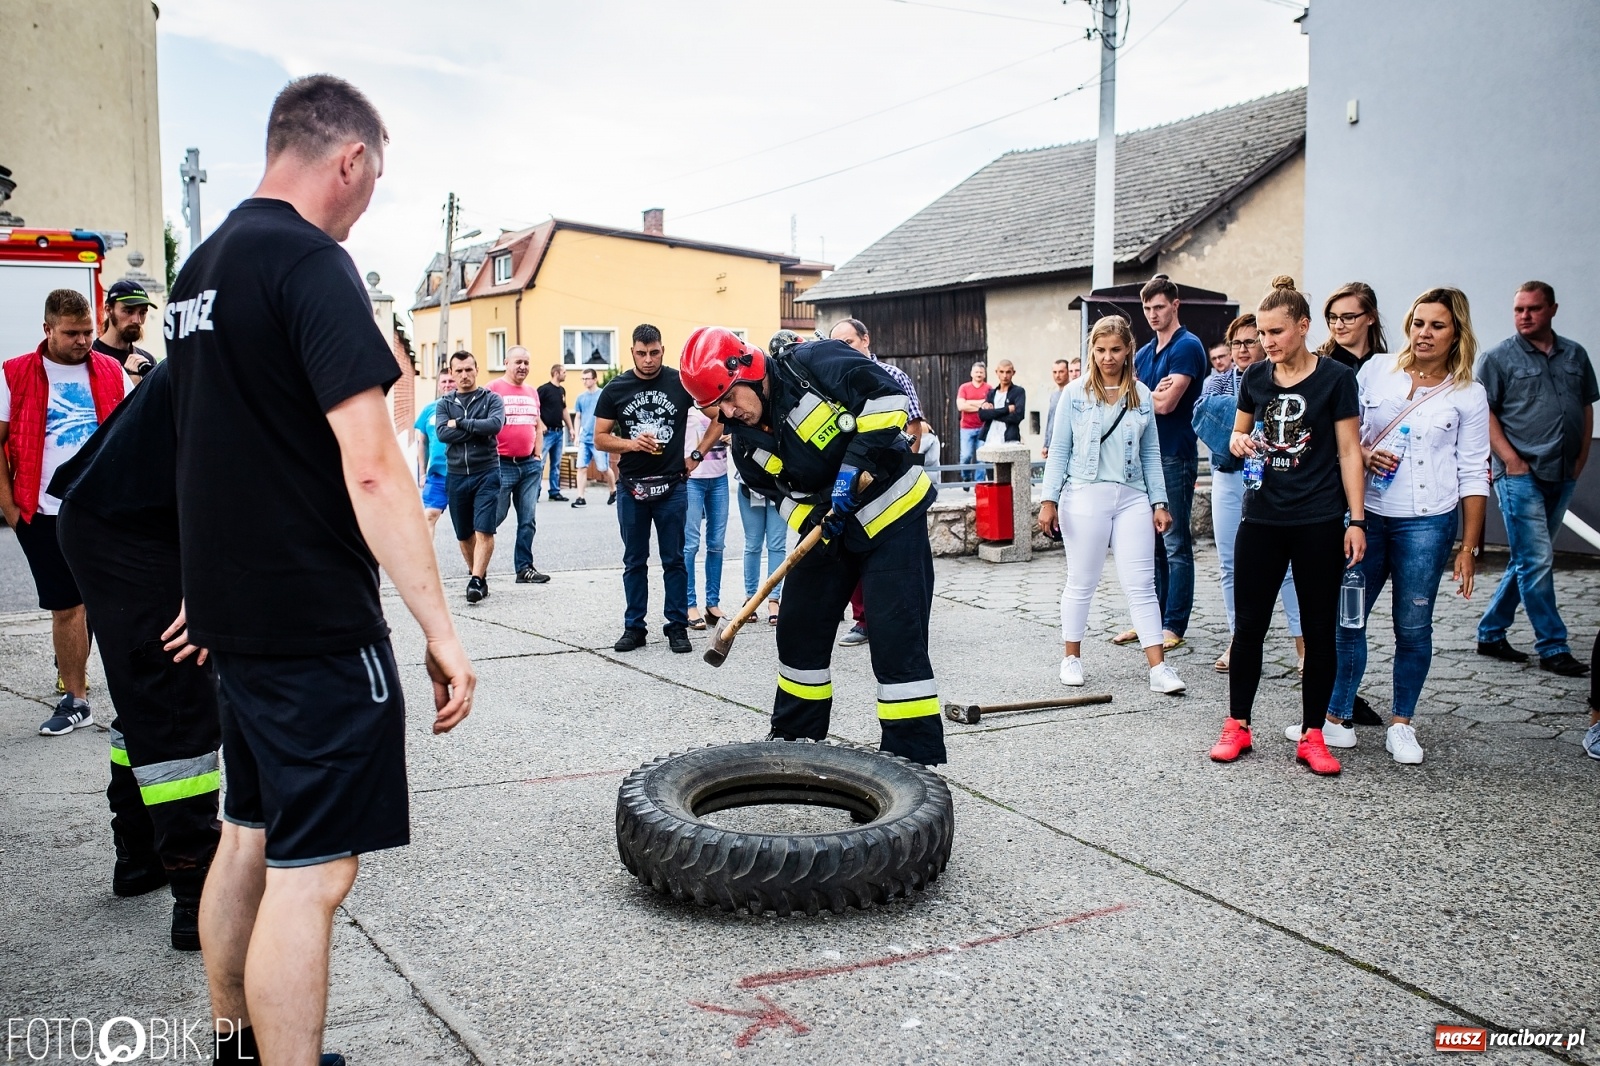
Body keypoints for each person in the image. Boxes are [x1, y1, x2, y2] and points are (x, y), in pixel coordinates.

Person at [164, 75, 473, 1066]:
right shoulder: (310, 261)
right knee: (315, 875)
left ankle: (235, 1046)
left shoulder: (200, 271)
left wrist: (203, 583)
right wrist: (440, 630)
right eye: (374, 178)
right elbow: (375, 464)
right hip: (312, 623)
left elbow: (198, 447)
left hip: (239, 620)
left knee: (247, 833)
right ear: (350, 159)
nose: (369, 198)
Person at [681, 326, 946, 765]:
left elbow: (888, 399)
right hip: (830, 530)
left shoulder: (814, 363)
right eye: (716, 408)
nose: (728, 413)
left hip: (892, 517)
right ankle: (795, 742)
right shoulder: (746, 448)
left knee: (895, 637)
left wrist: (853, 465)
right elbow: (783, 499)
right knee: (798, 627)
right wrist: (815, 518)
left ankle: (912, 760)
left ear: (748, 370)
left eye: (729, 398)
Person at [50, 360, 220, 950]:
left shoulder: (237, 344)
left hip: (119, 520)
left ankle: (140, 854)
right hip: (127, 532)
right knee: (177, 693)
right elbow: (221, 484)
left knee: (150, 691)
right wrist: (208, 589)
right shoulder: (238, 362)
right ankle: (198, 893)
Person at [1320, 287, 1490, 765]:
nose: (1424, 334)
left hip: (1427, 523)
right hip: (1368, 517)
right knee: (1347, 616)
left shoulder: (1469, 393)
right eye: (1418, 323)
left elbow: (1474, 470)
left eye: (1437, 325)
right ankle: (1335, 719)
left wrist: (1468, 547)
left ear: (1456, 332)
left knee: (1413, 627)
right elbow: (1345, 434)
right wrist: (1363, 454)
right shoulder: (1376, 370)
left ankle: (1401, 725)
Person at [1209, 276, 1367, 777]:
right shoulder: (1255, 377)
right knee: (1249, 626)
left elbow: (1349, 452)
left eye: (1276, 331)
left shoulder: (1336, 378)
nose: (1267, 341)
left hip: (1318, 519)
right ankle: (1238, 724)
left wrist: (1356, 520)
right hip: (1261, 518)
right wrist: (1238, 443)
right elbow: (1238, 434)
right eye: (1262, 332)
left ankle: (1312, 734)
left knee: (1319, 631)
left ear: (1303, 326)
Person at [0, 288, 131, 735]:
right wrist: (10, 507)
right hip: (42, 512)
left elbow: (132, 435)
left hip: (102, 511)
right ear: (48, 329)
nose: (83, 341)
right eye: (72, 333)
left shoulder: (111, 370)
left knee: (115, 605)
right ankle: (75, 699)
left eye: (88, 332)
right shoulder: (16, 373)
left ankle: (133, 696)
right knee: (66, 607)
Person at [1038, 316, 1186, 696]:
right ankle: (1071, 658)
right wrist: (1048, 500)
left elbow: (1151, 454)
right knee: (1082, 581)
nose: (1108, 357)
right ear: (1092, 351)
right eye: (1101, 350)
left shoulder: (1141, 394)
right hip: (1084, 494)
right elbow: (1059, 450)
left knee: (1142, 585)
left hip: (1133, 497)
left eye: (1115, 350)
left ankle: (1159, 669)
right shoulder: (1074, 394)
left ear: (1128, 350)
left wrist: (1159, 501)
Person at [1475, 281, 1596, 676]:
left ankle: (1491, 633)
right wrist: (1511, 460)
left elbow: (1585, 406)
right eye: (1519, 309)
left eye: (1533, 308)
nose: (1525, 316)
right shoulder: (1497, 358)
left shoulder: (1575, 354)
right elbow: (1483, 413)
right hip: (1519, 474)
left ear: (1552, 309)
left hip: (1563, 471)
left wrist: (1582, 457)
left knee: (1528, 559)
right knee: (1538, 558)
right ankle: (1553, 645)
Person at [594, 323, 720, 653]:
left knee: (674, 560)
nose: (648, 359)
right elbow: (600, 438)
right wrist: (632, 444)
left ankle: (677, 627)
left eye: (653, 353)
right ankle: (634, 628)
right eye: (641, 353)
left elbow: (719, 417)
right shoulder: (616, 388)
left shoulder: (680, 383)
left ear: (663, 350)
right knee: (634, 561)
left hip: (672, 486)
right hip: (631, 488)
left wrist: (696, 456)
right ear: (632, 352)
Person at [1191, 313, 1304, 674]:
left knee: (1287, 566)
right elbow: (1202, 416)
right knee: (1230, 564)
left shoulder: (1280, 379)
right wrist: (1254, 420)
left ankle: (1303, 644)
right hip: (1228, 477)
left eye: (1249, 341)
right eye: (1235, 342)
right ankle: (1238, 639)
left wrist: (1242, 423)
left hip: (1273, 479)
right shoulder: (1218, 381)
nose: (1241, 349)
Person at [828, 318, 928, 649]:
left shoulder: (893, 375)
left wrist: (908, 465)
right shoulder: (833, 382)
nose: (844, 349)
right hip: (853, 479)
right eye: (837, 345)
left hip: (891, 477)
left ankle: (900, 616)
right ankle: (863, 620)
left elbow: (914, 424)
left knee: (896, 553)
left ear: (866, 340)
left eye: (849, 342)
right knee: (854, 547)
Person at [1124, 275, 1208, 650]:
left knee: (1174, 542)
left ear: (1175, 305)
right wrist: (1146, 395)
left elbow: (1165, 404)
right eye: (1147, 308)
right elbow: (1126, 400)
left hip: (1174, 452)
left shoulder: (1187, 346)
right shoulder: (1144, 353)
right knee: (1151, 544)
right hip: (1145, 455)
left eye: (1159, 307)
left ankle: (1174, 623)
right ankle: (1151, 621)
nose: (1153, 314)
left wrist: (1143, 395)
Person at [436, 350, 505, 603]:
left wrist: (461, 423)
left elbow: (494, 425)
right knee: (463, 533)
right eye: (459, 371)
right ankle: (480, 576)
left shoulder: (491, 399)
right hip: (456, 475)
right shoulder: (444, 404)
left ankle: (475, 580)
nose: (464, 375)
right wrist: (477, 427)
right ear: (451, 373)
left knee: (484, 529)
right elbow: (443, 433)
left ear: (477, 369)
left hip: (486, 472)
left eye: (468, 369)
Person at [487, 345, 549, 584]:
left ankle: (524, 568)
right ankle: (477, 566)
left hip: (529, 466)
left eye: (526, 362)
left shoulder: (532, 392)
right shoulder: (492, 389)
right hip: (501, 465)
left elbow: (537, 426)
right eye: (518, 362)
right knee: (494, 517)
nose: (523, 367)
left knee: (527, 520)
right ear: (506, 363)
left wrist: (537, 455)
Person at [683, 404, 729, 630]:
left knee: (717, 544)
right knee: (690, 544)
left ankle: (712, 604)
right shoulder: (686, 403)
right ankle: (689, 604)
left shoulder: (719, 403)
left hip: (719, 477)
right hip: (692, 479)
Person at [413, 375, 454, 535]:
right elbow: (422, 443)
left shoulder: (466, 408)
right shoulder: (429, 409)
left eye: (451, 381)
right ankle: (425, 553)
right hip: (437, 475)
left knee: (467, 525)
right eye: (444, 381)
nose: (447, 385)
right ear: (438, 385)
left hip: (462, 474)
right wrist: (422, 474)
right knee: (429, 516)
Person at [95, 279, 158, 381]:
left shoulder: (147, 361)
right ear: (108, 310)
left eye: (142, 313)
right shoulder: (90, 357)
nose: (137, 320)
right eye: (129, 311)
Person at [1318, 281, 1387, 372]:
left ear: (1371, 317)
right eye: (1333, 317)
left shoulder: (1386, 366)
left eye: (1348, 317)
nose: (1338, 326)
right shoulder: (1315, 366)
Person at [573, 367, 616, 505]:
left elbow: (611, 415)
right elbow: (578, 417)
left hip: (599, 438)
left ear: (595, 379)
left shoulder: (603, 395)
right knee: (581, 467)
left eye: (587, 378)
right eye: (583, 379)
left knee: (603, 468)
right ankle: (580, 497)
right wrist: (577, 435)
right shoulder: (580, 398)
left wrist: (609, 433)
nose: (585, 381)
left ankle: (613, 490)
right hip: (585, 439)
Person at [538, 363, 569, 501]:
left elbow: (564, 410)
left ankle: (554, 491)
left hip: (559, 432)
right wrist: (541, 424)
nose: (566, 375)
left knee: (556, 464)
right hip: (547, 433)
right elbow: (535, 408)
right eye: (564, 372)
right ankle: (535, 492)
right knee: (540, 463)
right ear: (556, 373)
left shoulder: (562, 390)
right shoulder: (544, 389)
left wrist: (571, 428)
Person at [978, 360, 1025, 450]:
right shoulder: (991, 393)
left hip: (1010, 438)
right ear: (997, 372)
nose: (1005, 376)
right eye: (1002, 372)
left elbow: (1018, 416)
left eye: (1008, 372)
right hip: (990, 438)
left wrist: (992, 414)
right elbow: (982, 415)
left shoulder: (1018, 392)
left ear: (1013, 373)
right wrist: (1007, 409)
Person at [956, 361, 988, 481]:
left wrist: (969, 402)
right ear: (971, 373)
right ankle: (966, 477)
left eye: (981, 372)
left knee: (981, 458)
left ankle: (979, 483)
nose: (979, 374)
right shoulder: (964, 388)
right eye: (976, 372)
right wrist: (981, 405)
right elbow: (961, 406)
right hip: (967, 428)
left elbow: (990, 406)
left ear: (984, 374)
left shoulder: (989, 388)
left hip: (983, 427)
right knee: (966, 456)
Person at [1041, 358, 1070, 461]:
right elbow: (1050, 420)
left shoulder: (1072, 393)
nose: (1057, 375)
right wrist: (1046, 444)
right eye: (1055, 372)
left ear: (1068, 372)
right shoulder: (1054, 395)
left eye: (1061, 372)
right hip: (1052, 445)